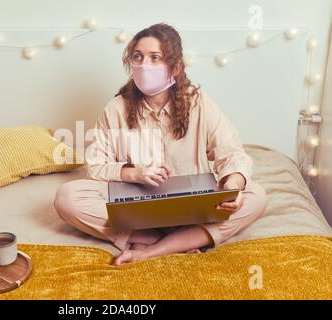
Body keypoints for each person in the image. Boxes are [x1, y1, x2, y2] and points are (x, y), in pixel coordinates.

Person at [54, 23, 268, 266]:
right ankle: (177, 241)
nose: (144, 65)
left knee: (256, 195)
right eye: (138, 57)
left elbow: (232, 153)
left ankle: (150, 250)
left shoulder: (197, 102)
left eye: (155, 58)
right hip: (139, 206)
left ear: (174, 66)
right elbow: (95, 166)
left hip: (192, 205)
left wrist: (233, 187)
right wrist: (134, 173)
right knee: (67, 197)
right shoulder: (116, 108)